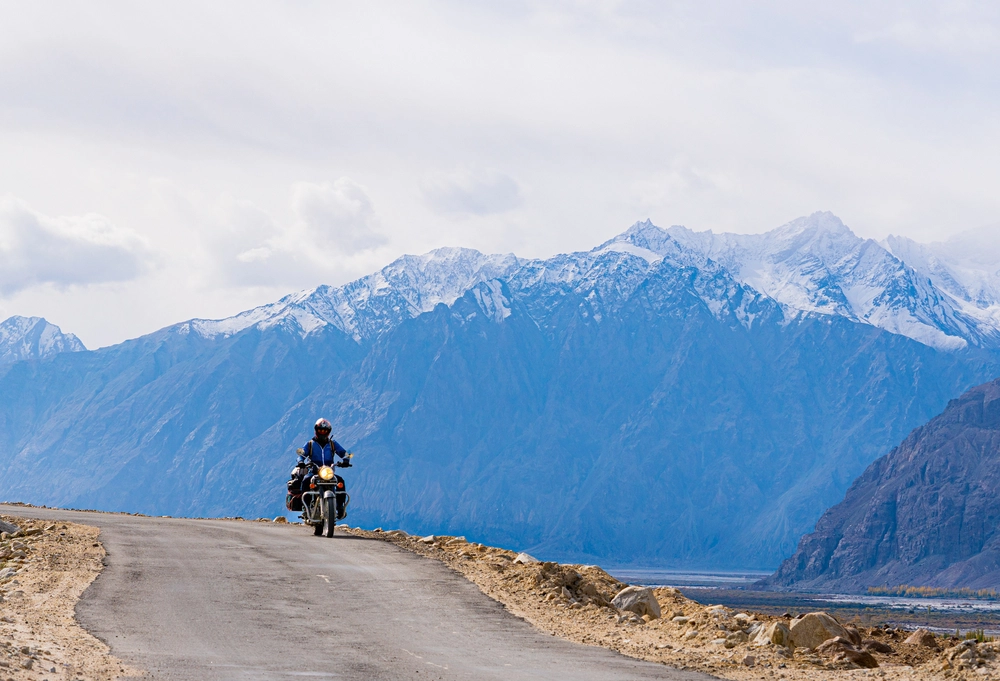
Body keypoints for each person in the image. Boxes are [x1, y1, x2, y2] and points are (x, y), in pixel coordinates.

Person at [295, 418, 352, 518]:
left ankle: (340, 506)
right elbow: (302, 454)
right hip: (314, 472)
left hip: (329, 473)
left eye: (325, 431)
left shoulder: (333, 444)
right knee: (306, 480)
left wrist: (346, 460)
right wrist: (300, 461)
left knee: (340, 482)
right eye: (320, 430)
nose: (322, 432)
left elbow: (344, 453)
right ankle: (306, 507)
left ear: (328, 432)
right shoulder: (310, 444)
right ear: (316, 430)